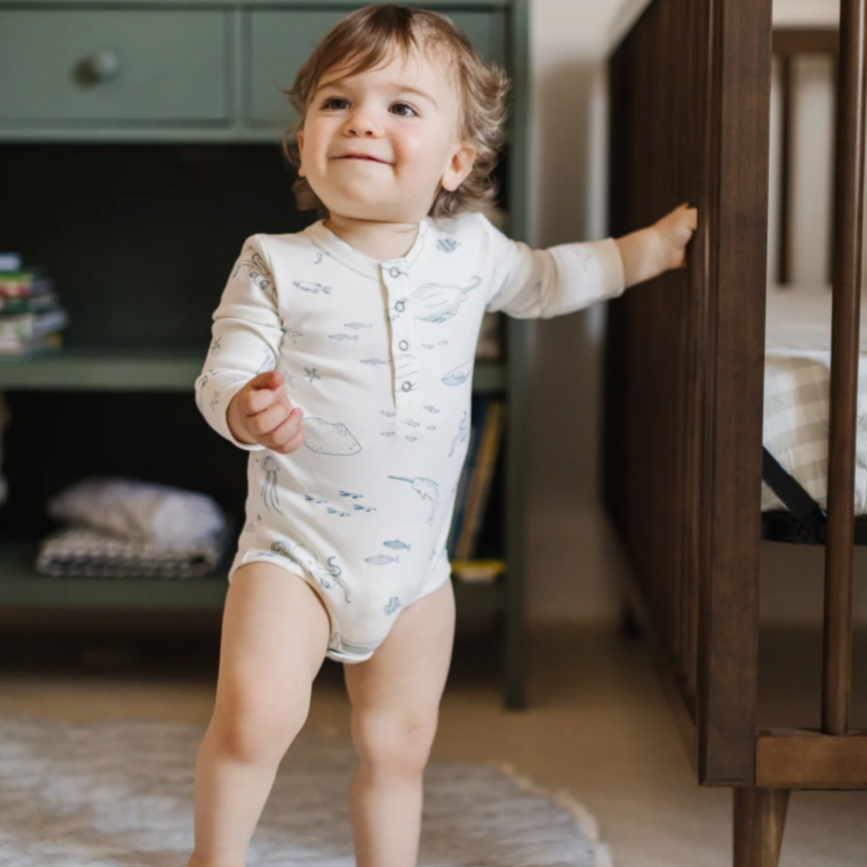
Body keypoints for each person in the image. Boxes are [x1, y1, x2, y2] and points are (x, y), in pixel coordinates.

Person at [189, 5, 697, 866]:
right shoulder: (276, 259)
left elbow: (547, 279)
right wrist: (246, 407)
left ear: (456, 160)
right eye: (336, 101)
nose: (362, 122)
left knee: (399, 746)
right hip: (297, 553)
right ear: (304, 141)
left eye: (401, 107)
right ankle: (215, 857)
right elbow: (223, 370)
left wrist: (647, 250)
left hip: (416, 570)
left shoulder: (471, 250)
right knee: (255, 719)